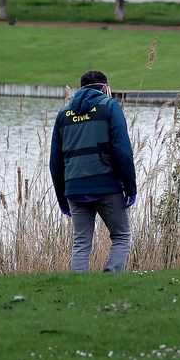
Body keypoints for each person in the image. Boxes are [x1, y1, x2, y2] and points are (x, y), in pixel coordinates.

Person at [49, 70, 136, 272]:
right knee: (121, 236)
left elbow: (55, 162)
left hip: (74, 189)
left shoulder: (63, 114)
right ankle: (110, 282)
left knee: (81, 244)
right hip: (107, 186)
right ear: (105, 88)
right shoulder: (110, 107)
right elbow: (123, 152)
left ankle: (79, 289)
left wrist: (63, 199)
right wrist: (130, 188)